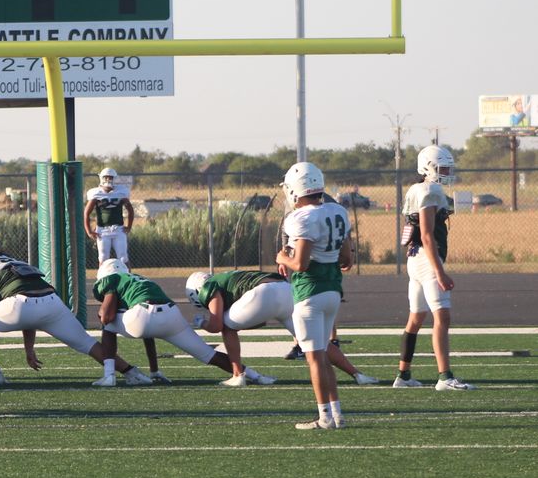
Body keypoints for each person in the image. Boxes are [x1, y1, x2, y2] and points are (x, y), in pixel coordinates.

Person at [186, 270, 378, 385]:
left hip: (263, 294)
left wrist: (201, 322)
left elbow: (216, 324)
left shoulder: (207, 287)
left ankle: (238, 375)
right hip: (286, 291)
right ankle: (358, 375)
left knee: (227, 326)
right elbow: (258, 321)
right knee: (315, 342)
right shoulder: (227, 277)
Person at [0, 240, 111, 387]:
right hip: (53, 302)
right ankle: (130, 371)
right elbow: (29, 315)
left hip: (22, 304)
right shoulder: (13, 261)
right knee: (87, 342)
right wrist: (29, 348)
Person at [94, 259, 259, 386]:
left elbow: (107, 316)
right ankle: (255, 375)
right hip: (171, 314)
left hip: (142, 316)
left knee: (108, 323)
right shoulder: (141, 280)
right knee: (208, 354)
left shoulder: (111, 279)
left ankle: (109, 376)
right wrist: (154, 370)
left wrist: (102, 313)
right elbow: (148, 333)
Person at [276, 162, 353, 430]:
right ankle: (337, 414)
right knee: (321, 355)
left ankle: (323, 418)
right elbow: (346, 258)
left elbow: (301, 264)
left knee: (314, 358)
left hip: (309, 292)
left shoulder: (300, 218)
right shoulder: (338, 211)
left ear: (296, 189)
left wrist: (281, 256)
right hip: (332, 291)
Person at [394, 145, 474, 391]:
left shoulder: (417, 188)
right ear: (428, 167)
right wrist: (440, 271)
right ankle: (444, 377)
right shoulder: (429, 189)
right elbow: (428, 235)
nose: (447, 172)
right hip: (428, 259)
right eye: (443, 167)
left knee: (416, 317)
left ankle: (403, 376)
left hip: (415, 258)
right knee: (442, 316)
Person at [84, 167, 134, 266]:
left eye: (110, 178)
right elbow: (86, 213)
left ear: (114, 179)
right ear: (101, 178)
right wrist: (89, 231)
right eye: (106, 177)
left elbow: (130, 210)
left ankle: (128, 279)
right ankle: (102, 279)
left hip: (118, 229)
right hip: (102, 230)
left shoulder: (121, 192)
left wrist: (129, 226)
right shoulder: (96, 193)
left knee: (123, 257)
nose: (108, 180)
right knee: (103, 258)